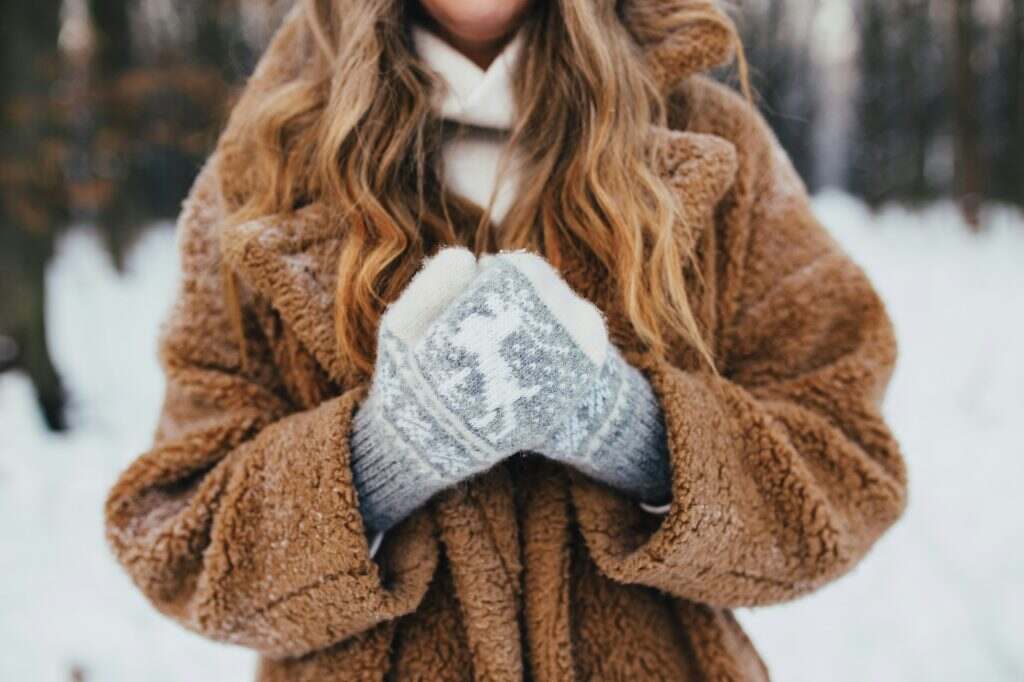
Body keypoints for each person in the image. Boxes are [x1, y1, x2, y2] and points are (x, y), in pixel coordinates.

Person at [104, 1, 908, 679]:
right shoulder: (265, 165)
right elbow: (178, 538)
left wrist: (634, 433)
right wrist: (380, 457)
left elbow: (846, 463)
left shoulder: (710, 140)